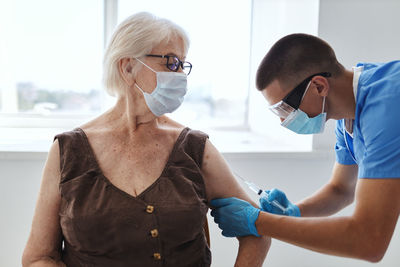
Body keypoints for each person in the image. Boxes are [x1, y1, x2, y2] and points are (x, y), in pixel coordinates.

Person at [22, 12, 270, 267]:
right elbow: (39, 257)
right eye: (172, 63)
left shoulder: (195, 147)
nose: (181, 76)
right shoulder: (68, 150)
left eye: (183, 65)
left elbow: (259, 230)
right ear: (128, 67)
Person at [210, 33, 400, 263]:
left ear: (319, 86)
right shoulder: (349, 114)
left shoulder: (387, 107)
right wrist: (294, 212)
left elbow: (368, 242)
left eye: (285, 109)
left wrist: (259, 222)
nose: (283, 121)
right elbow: (341, 189)